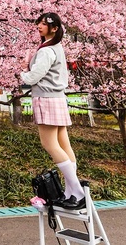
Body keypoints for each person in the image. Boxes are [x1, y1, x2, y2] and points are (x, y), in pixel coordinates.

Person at [20, 12, 85, 210]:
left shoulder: (46, 51)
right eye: (38, 22)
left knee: (49, 144)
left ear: (54, 28)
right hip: (57, 99)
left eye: (44, 23)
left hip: (46, 99)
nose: (39, 26)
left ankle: (78, 192)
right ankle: (71, 192)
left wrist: (23, 70)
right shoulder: (56, 48)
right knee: (64, 144)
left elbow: (32, 77)